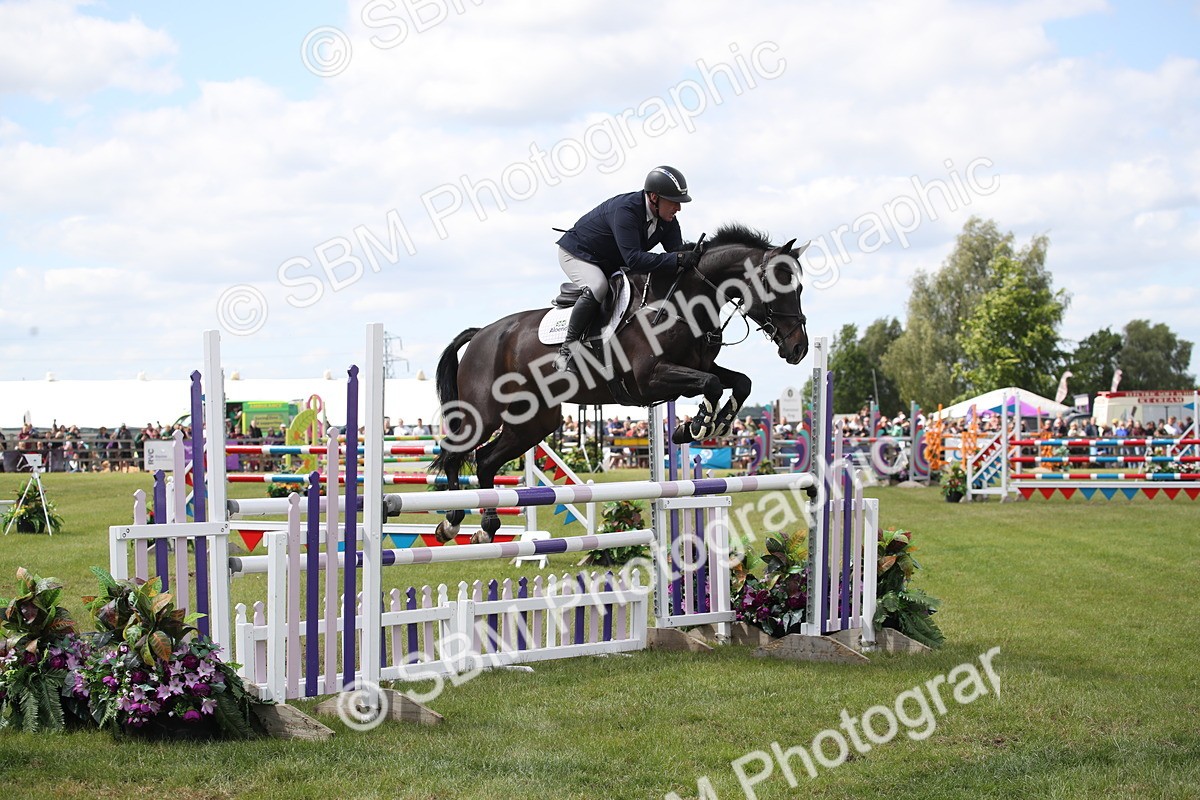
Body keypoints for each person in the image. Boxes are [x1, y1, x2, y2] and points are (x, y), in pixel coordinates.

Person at [553, 166, 698, 372]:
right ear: (654, 198)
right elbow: (635, 260)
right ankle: (567, 351)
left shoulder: (668, 221)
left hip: (610, 260)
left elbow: (677, 257)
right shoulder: (626, 211)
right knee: (598, 286)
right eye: (674, 202)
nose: (678, 208)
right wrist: (677, 259)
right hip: (578, 253)